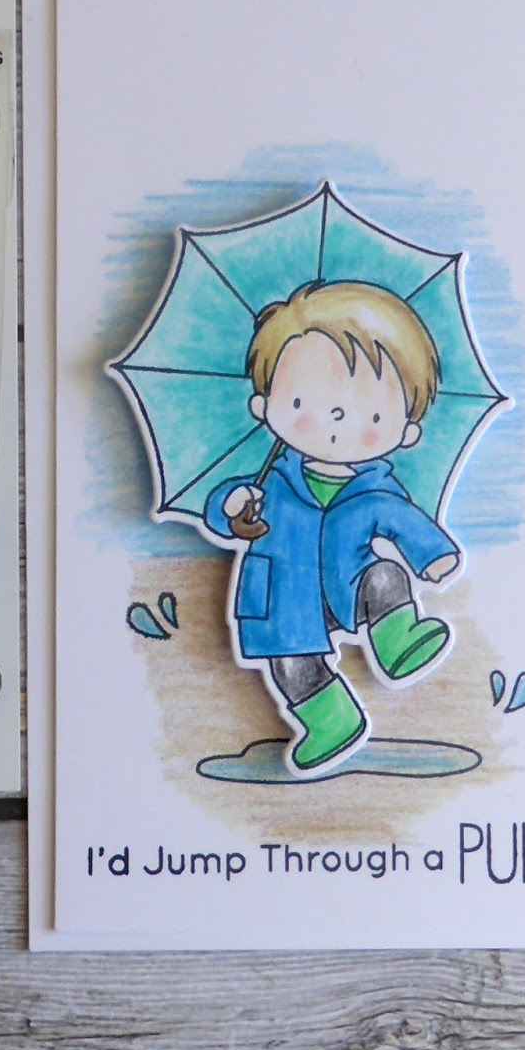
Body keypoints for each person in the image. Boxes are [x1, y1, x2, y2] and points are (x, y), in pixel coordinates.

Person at [202, 280, 460, 773]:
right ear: (264, 406)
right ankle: (330, 720)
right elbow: (224, 513)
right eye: (305, 403)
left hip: (350, 582)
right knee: (291, 665)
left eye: (372, 413)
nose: (337, 418)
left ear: (407, 431)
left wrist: (434, 556)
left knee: (385, 576)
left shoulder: (377, 489)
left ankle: (398, 638)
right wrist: (234, 508)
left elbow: (403, 522)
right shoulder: (271, 484)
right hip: (285, 597)